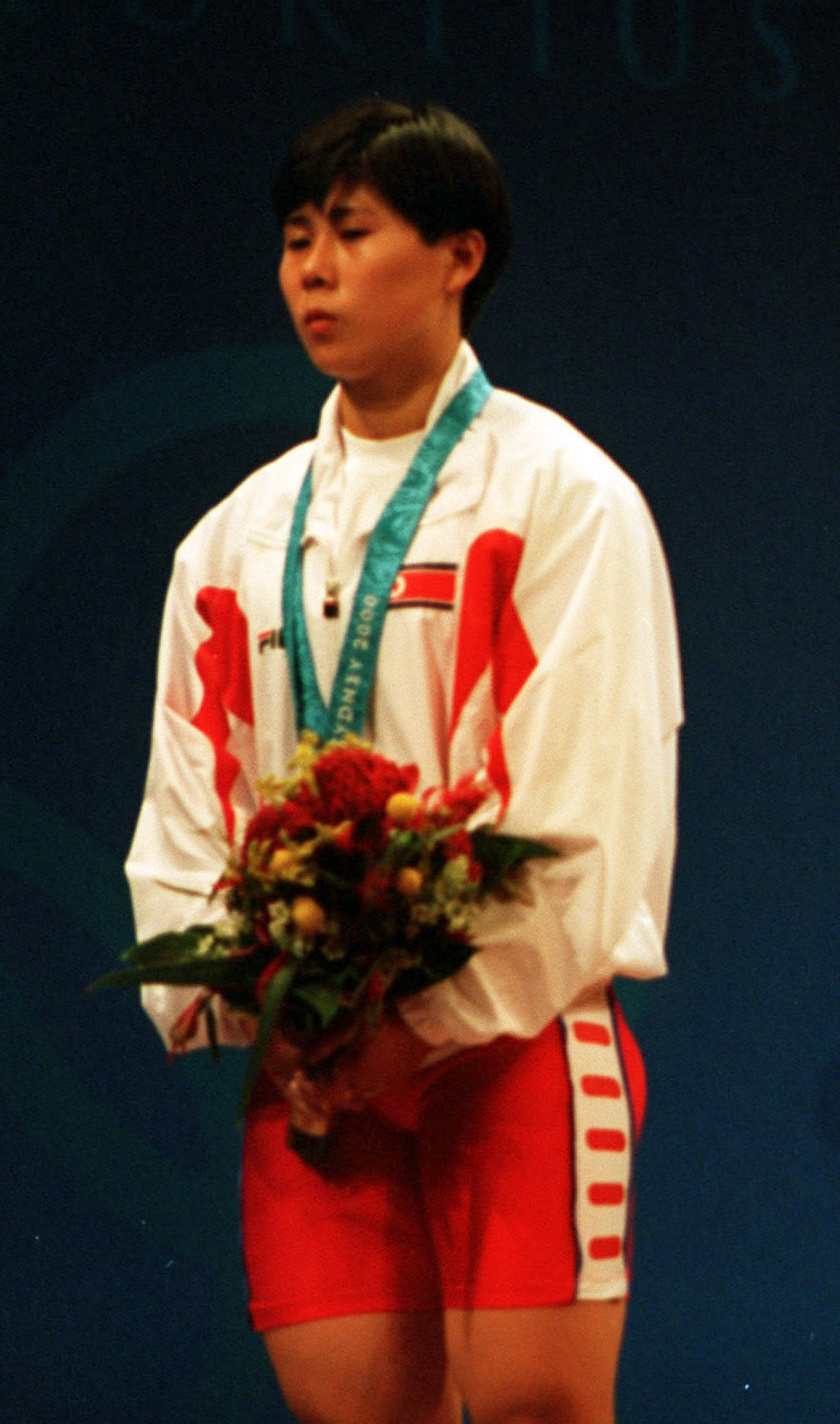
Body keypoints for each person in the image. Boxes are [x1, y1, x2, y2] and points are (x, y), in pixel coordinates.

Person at [124, 98, 681, 1424]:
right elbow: (186, 810)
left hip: (514, 1043)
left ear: (458, 256)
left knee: (536, 1408)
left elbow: (586, 803)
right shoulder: (232, 540)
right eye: (295, 238)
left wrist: (418, 1025)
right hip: (315, 1061)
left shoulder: (562, 497)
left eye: (352, 232)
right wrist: (264, 1006)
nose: (312, 270)